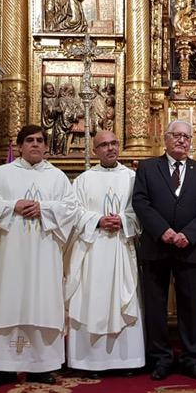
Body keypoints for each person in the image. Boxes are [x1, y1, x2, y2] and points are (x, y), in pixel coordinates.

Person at [0, 125, 75, 388]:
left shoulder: (57, 177)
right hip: (10, 253)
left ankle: (42, 367)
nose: (35, 144)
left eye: (40, 141)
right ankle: (5, 369)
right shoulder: (2, 174)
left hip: (44, 253)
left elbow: (70, 209)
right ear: (19, 146)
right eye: (29, 140)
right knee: (7, 303)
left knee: (43, 304)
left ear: (46, 147)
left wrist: (43, 208)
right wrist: (14, 206)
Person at [132, 120, 196, 380]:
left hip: (188, 248)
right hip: (156, 246)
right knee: (155, 305)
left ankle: (191, 358)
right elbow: (141, 202)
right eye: (176, 136)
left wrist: (188, 235)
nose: (181, 140)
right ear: (165, 139)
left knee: (191, 306)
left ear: (191, 141)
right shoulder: (147, 168)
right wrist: (163, 231)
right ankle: (160, 358)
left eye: (186, 137)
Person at [65, 130, 144, 377]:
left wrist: (124, 220)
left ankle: (128, 361)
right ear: (94, 151)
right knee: (92, 299)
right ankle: (91, 362)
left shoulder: (133, 178)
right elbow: (73, 212)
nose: (110, 148)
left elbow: (142, 210)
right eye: (103, 145)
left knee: (125, 298)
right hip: (93, 250)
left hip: (122, 247)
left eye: (113, 143)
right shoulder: (83, 180)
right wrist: (98, 220)